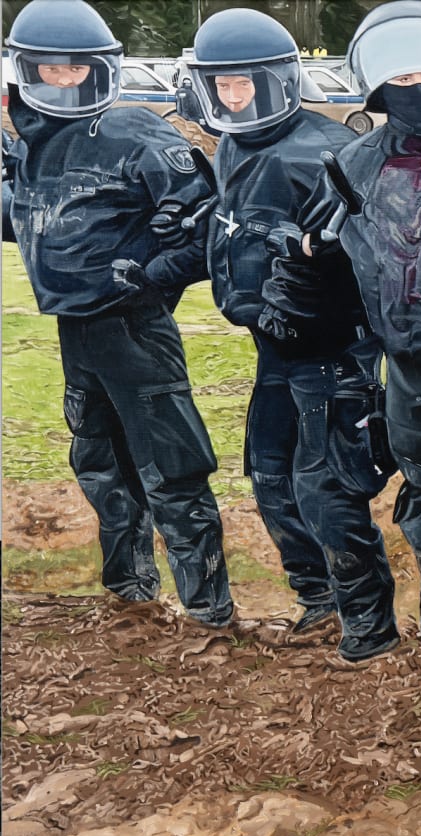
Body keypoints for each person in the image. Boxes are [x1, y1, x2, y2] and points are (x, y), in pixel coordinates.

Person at [268, 0, 421, 679]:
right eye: (400, 76)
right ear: (374, 82)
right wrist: (302, 282)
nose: (417, 86)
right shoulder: (352, 165)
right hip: (410, 366)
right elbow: (325, 260)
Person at [3, 0, 234, 629]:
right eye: (51, 70)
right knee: (100, 463)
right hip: (75, 331)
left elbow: (207, 223)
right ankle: (129, 593)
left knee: (171, 469)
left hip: (134, 327)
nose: (64, 80)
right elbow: (28, 221)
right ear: (26, 70)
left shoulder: (137, 131)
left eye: (77, 69)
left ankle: (207, 612)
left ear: (100, 69)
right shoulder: (29, 147)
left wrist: (154, 273)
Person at [188, 9, 400, 665]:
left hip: (335, 350)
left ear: (278, 80)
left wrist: (317, 286)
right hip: (272, 348)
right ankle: (321, 598)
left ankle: (370, 624)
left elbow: (376, 260)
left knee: (326, 485)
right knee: (271, 477)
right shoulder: (230, 145)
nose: (232, 96)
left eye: (244, 83)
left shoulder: (324, 155)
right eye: (220, 84)